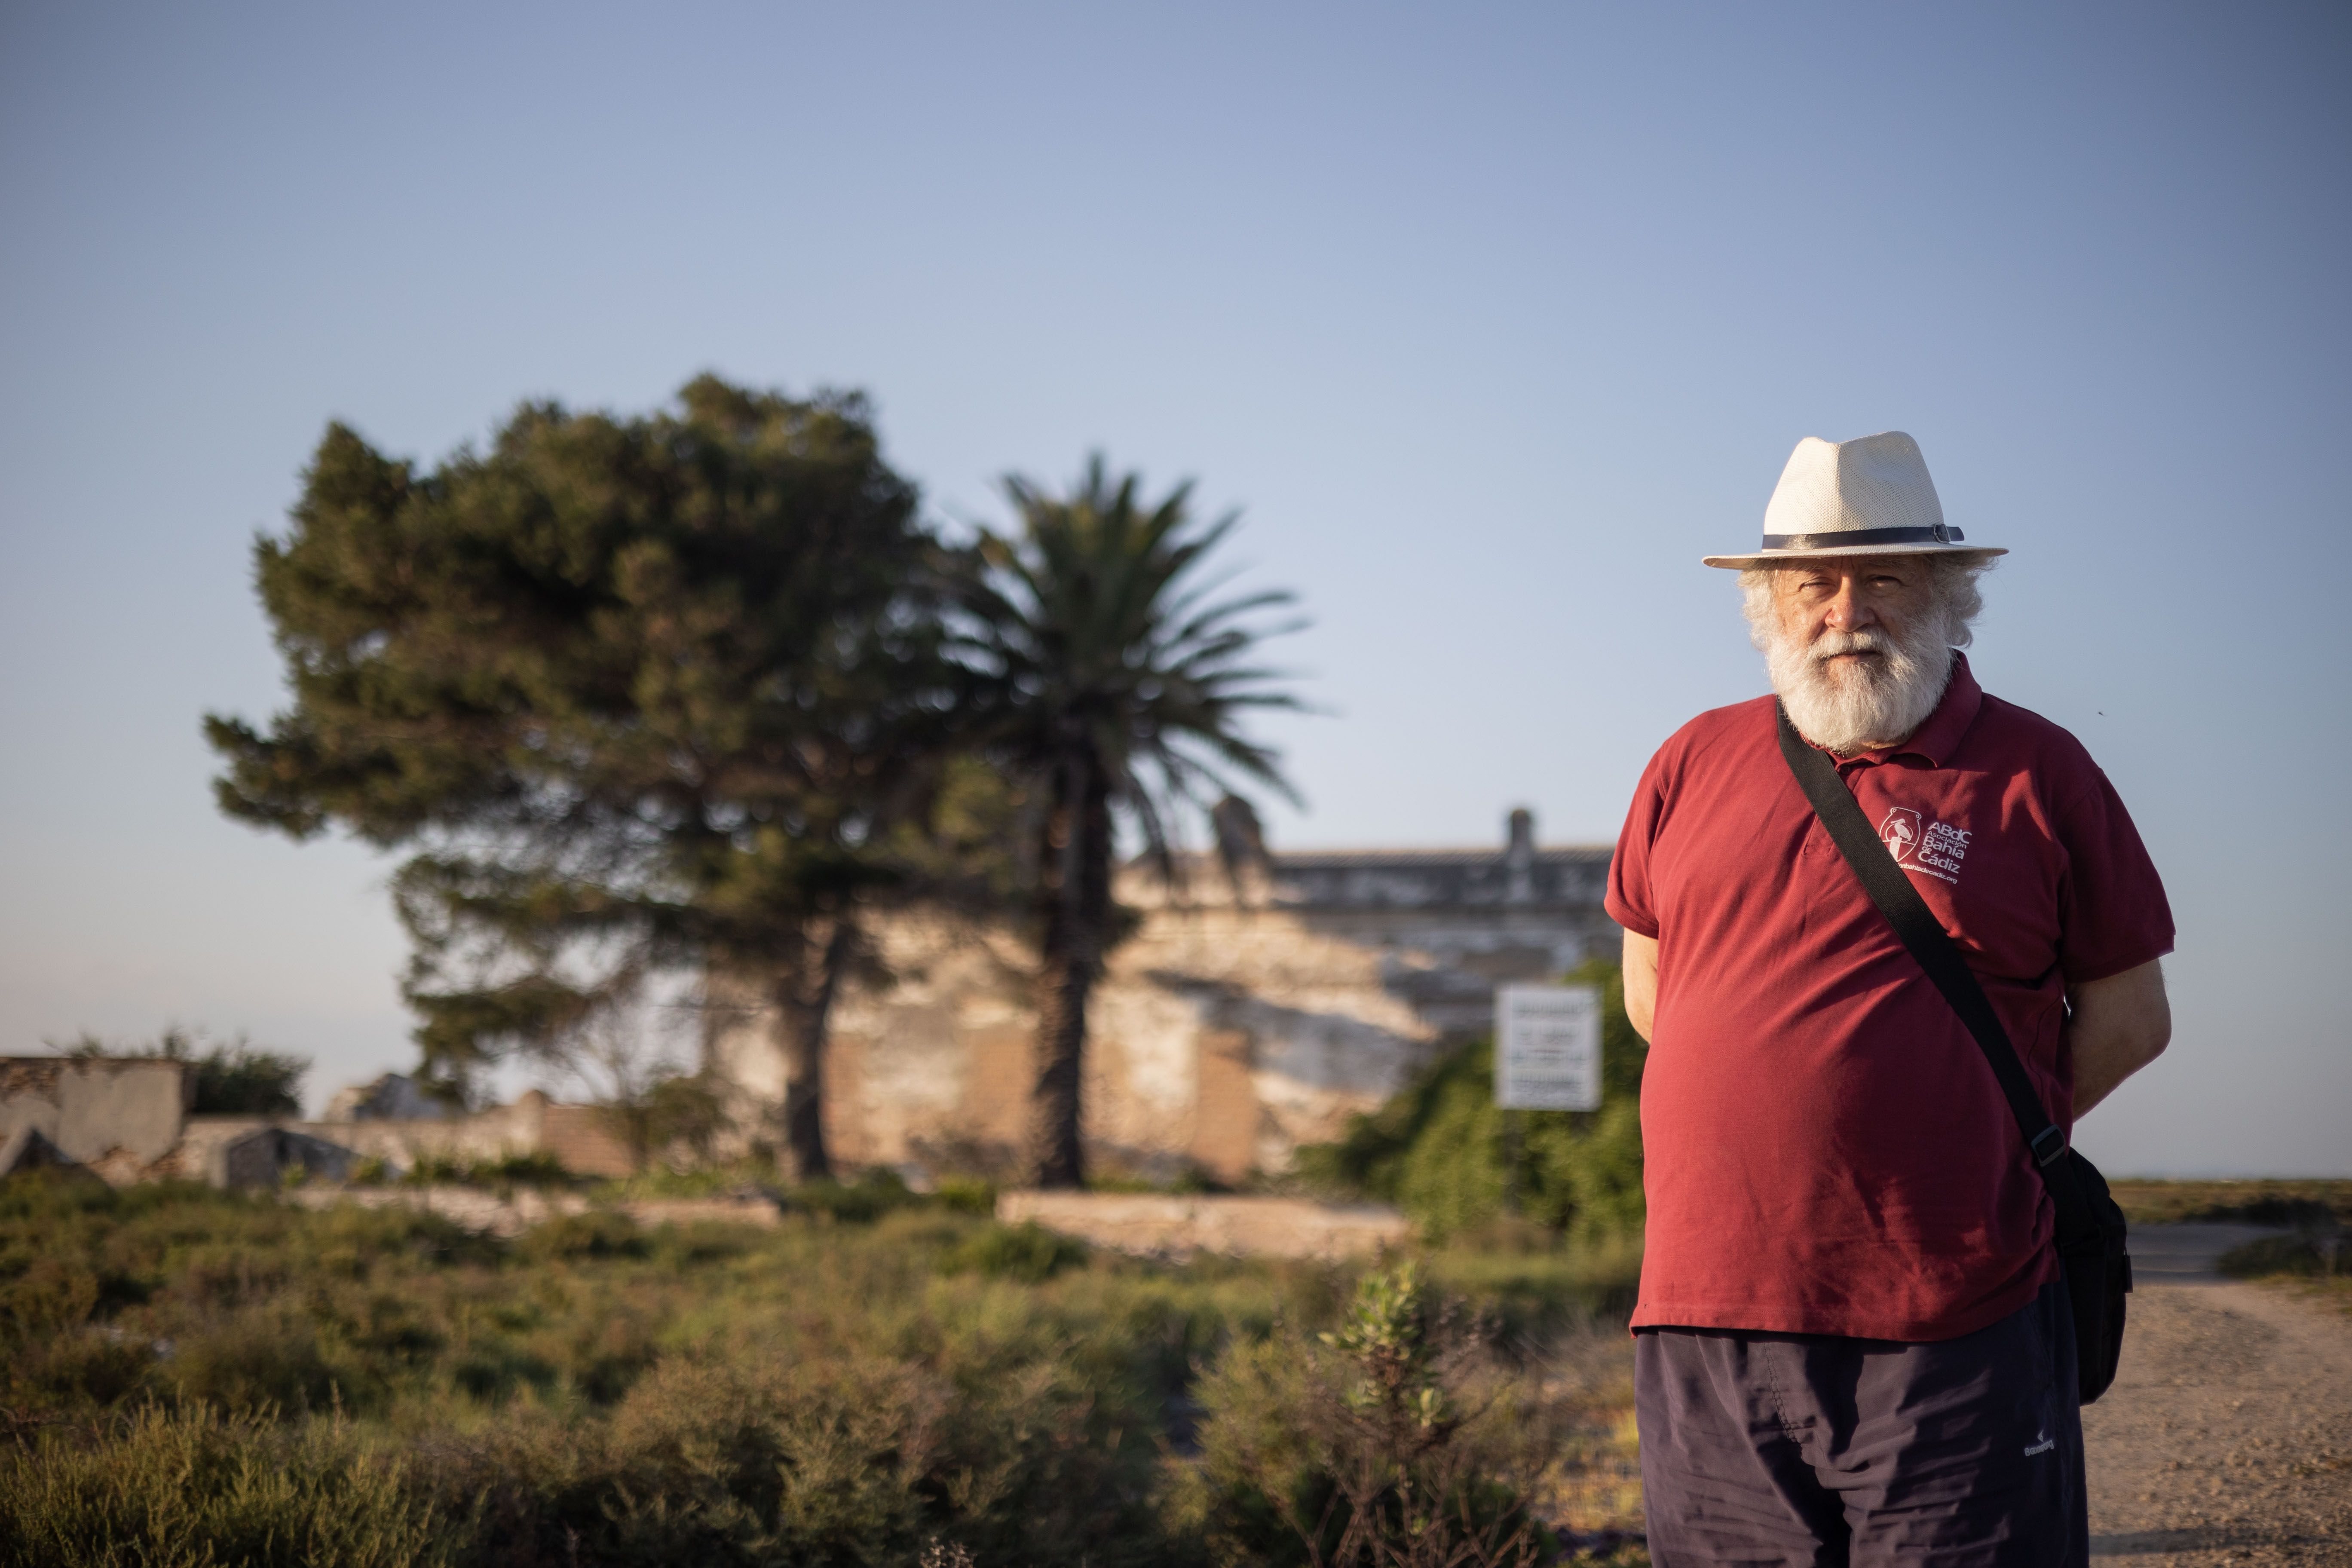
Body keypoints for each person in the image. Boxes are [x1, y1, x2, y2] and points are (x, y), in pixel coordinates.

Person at [1607, 431, 2174, 1565]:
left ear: (1949, 596)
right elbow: (1655, 996)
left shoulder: (2039, 770)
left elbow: (2129, 1018)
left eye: (1884, 578)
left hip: (1952, 1319)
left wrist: (1959, 1139)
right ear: (1770, 603)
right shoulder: (1689, 762)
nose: (1845, 611)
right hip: (1706, 1316)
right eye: (1812, 582)